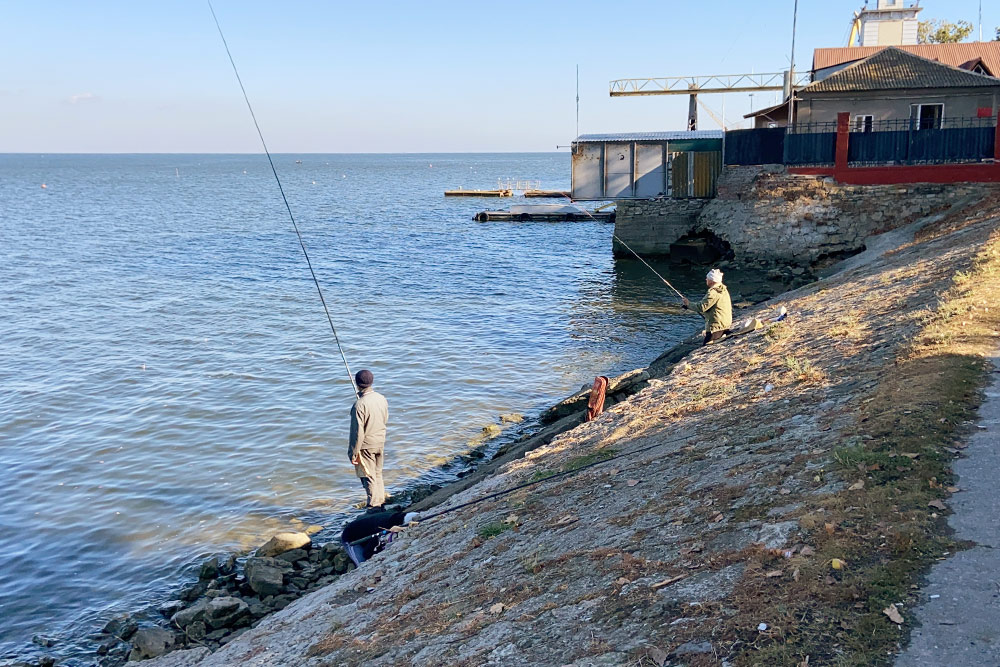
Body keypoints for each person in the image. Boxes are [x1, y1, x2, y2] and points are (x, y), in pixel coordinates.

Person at [348, 369, 389, 510]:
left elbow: (357, 433)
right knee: (378, 473)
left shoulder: (359, 405)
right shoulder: (381, 398)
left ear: (357, 383)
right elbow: (385, 419)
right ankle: (381, 502)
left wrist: (352, 453)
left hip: (366, 446)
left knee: (369, 477)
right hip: (380, 441)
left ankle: (373, 507)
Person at [682, 268, 733, 346]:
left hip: (717, 326)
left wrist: (688, 304)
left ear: (712, 281)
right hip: (725, 323)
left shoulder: (713, 292)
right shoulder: (723, 289)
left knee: (707, 345)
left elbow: (702, 307)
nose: (706, 279)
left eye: (708, 278)